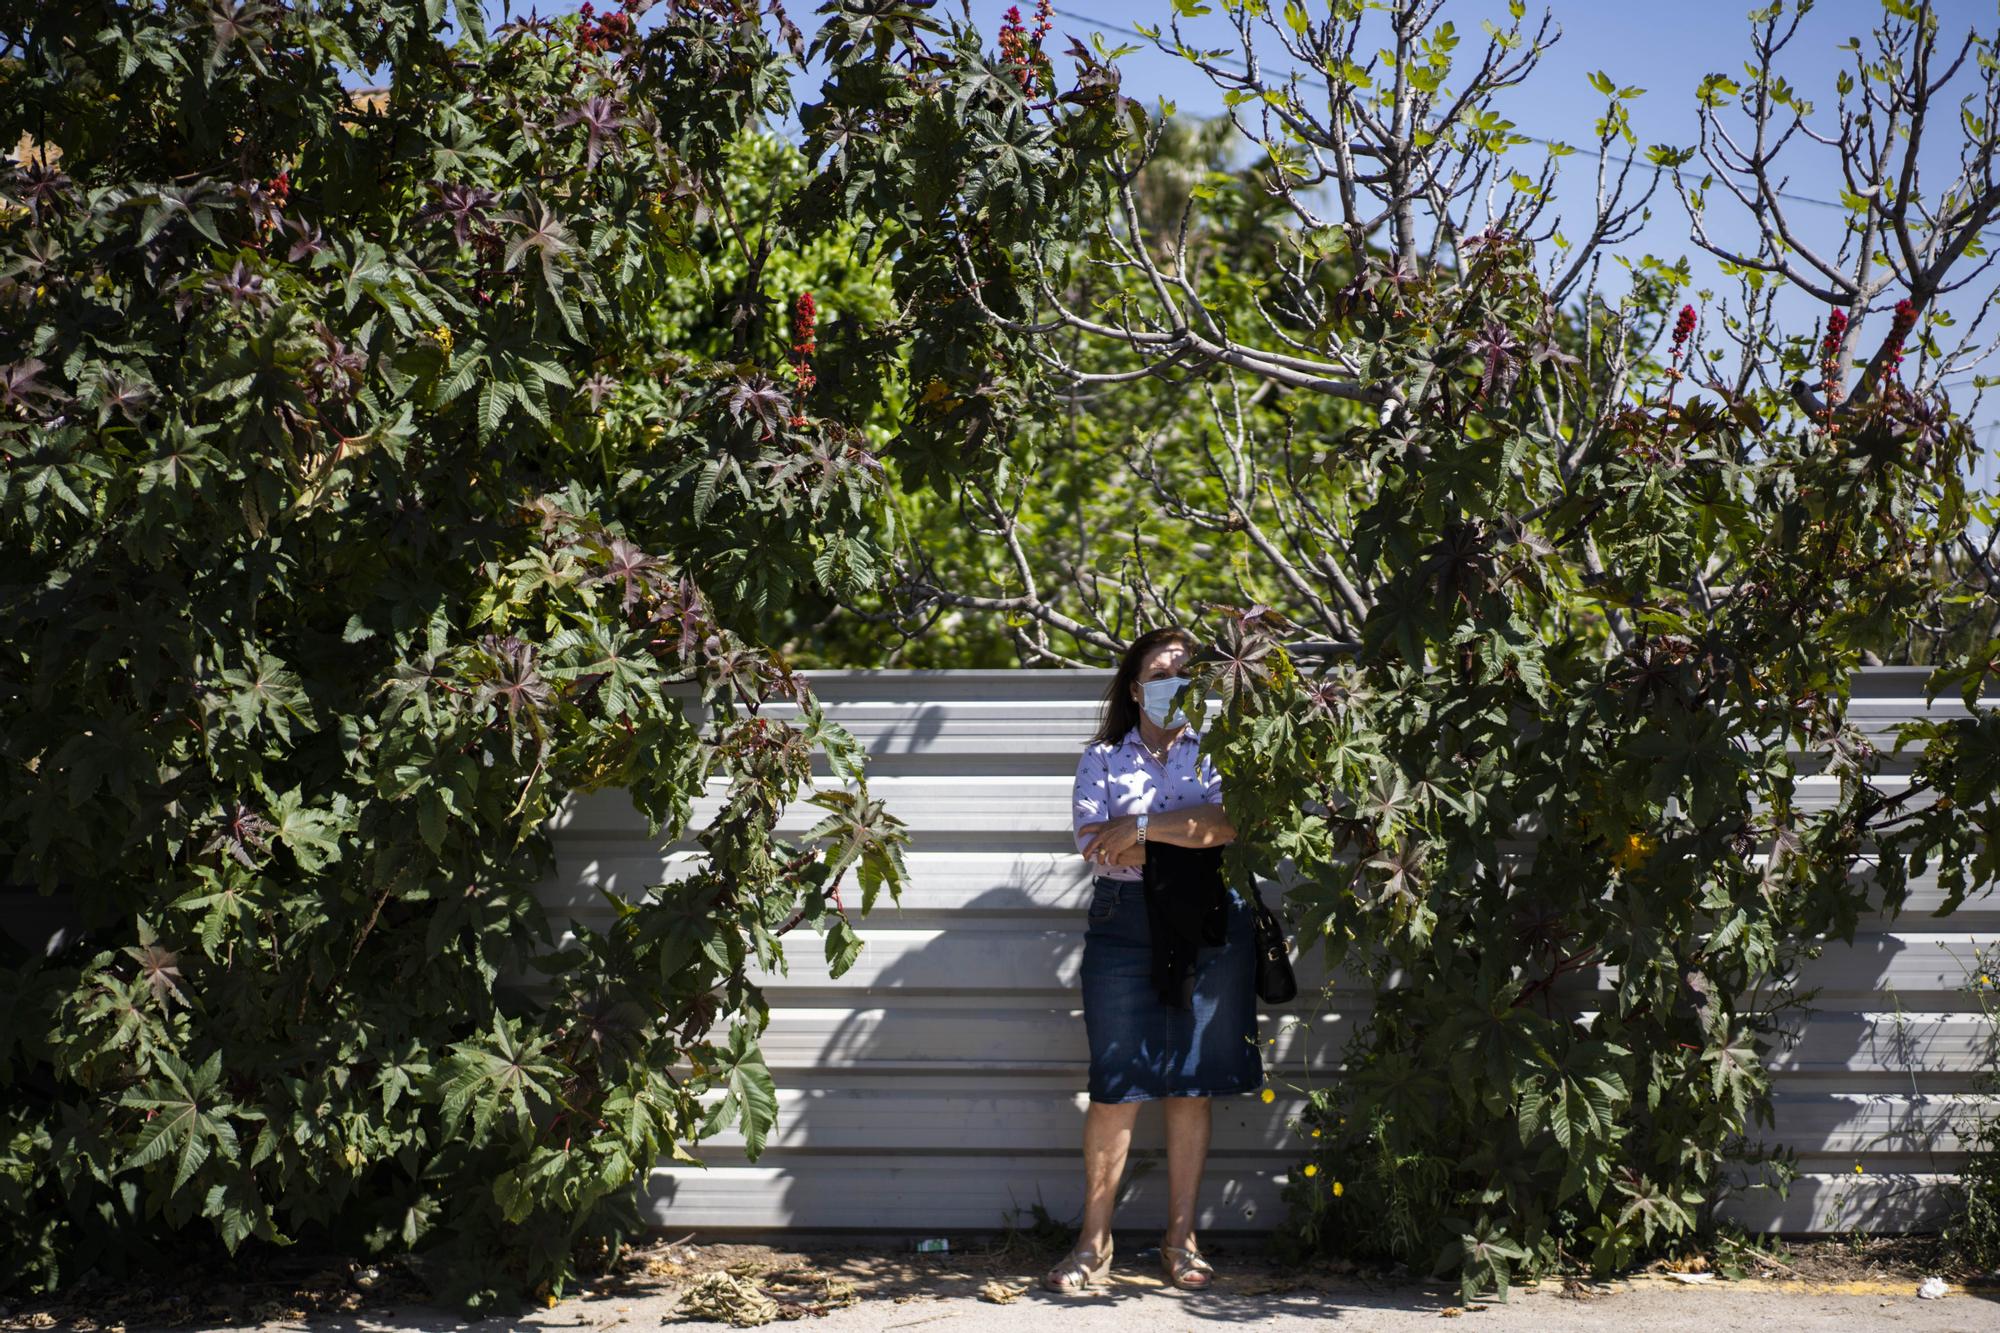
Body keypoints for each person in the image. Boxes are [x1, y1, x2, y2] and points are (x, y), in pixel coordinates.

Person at [1045, 626, 1262, 1294]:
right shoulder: (1102, 758)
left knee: (1190, 1081)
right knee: (1117, 1082)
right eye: (1159, 672)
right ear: (1136, 689)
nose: (1173, 682)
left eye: (1183, 672)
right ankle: (1094, 1241)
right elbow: (1095, 844)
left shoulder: (1220, 750)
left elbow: (1227, 826)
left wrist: (1139, 828)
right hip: (1124, 921)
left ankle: (1181, 1238)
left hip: (1206, 921)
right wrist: (1182, 834)